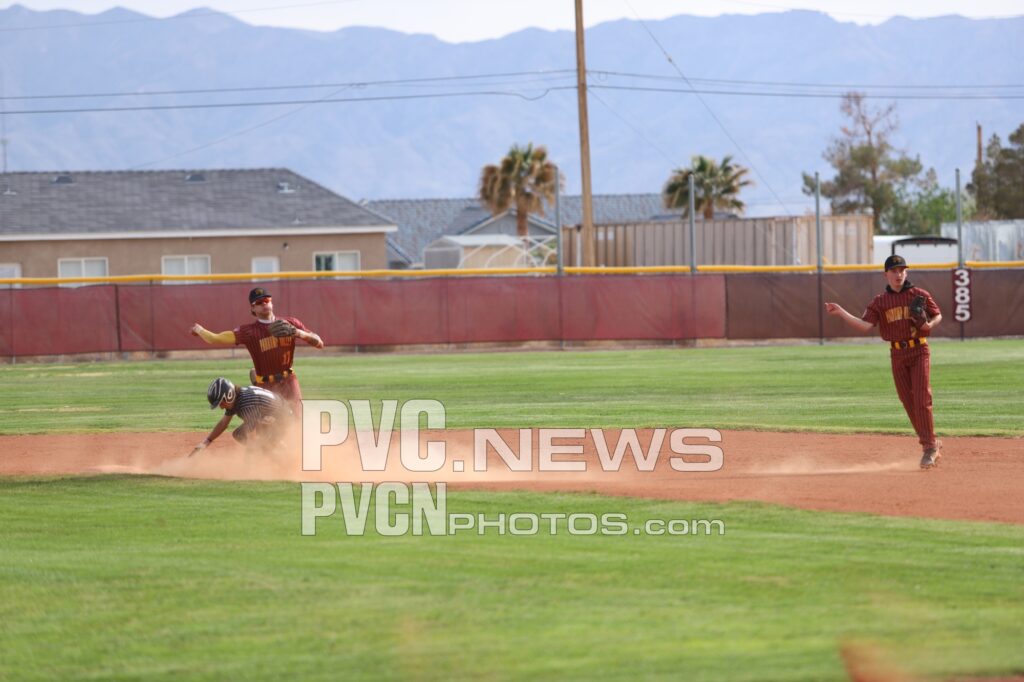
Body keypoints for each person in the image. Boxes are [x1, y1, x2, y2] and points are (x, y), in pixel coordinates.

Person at [825, 255, 943, 469]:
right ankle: (932, 442)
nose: (899, 274)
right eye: (894, 271)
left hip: (919, 350)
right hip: (897, 354)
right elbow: (864, 326)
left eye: (902, 270)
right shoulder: (880, 302)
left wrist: (929, 325)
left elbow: (937, 315)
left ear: (906, 272)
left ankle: (929, 448)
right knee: (908, 402)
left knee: (922, 398)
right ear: (886, 274)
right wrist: (841, 312)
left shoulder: (919, 294)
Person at [190, 287, 323, 413]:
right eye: (259, 302)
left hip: (288, 380)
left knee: (298, 420)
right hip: (265, 385)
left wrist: (299, 333)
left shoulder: (291, 323)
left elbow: (319, 343)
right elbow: (215, 339)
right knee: (271, 424)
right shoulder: (248, 332)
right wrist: (199, 330)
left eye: (267, 300)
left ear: (271, 303)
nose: (264, 304)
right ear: (253, 308)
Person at [189, 377, 292, 456]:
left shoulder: (246, 404)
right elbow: (223, 423)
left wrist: (247, 467)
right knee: (239, 434)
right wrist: (206, 442)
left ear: (229, 395)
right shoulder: (236, 399)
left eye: (221, 403)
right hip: (274, 417)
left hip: (283, 419)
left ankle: (283, 456)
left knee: (262, 446)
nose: (221, 407)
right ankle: (274, 447)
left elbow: (251, 437)